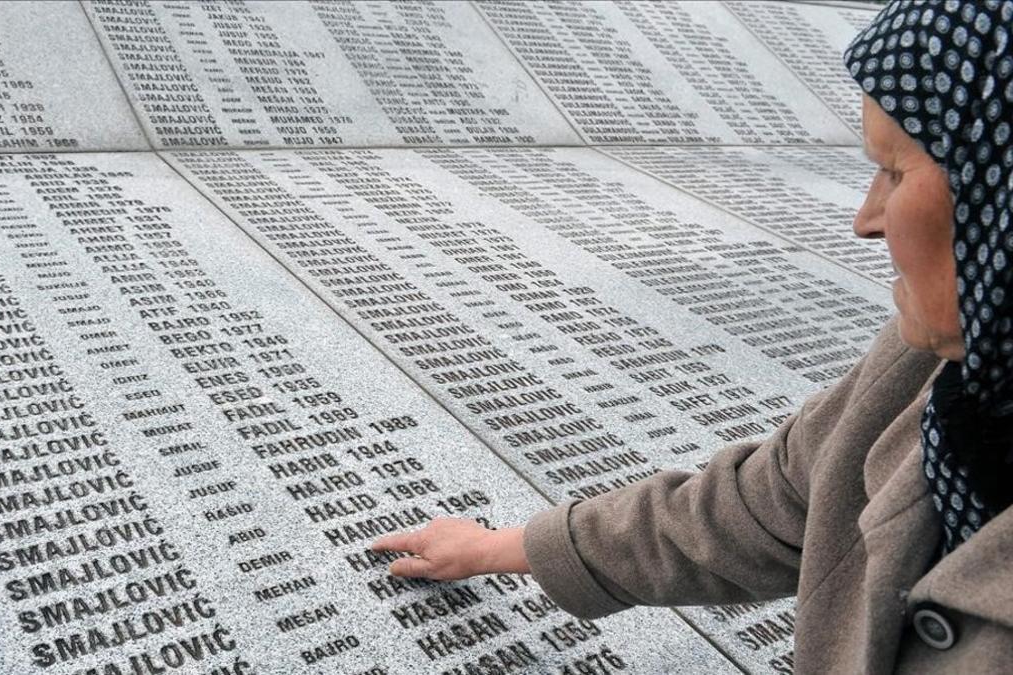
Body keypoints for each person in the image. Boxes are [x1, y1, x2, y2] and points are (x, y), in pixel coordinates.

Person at [371, 1, 1013, 671]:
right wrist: (503, 549)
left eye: (897, 172)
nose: (865, 220)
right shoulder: (926, 364)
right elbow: (772, 501)